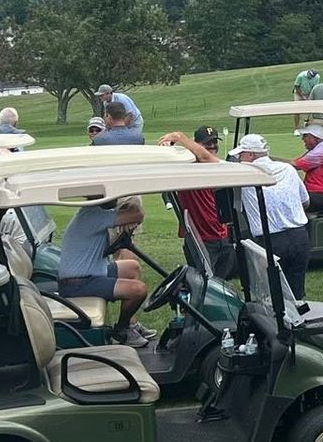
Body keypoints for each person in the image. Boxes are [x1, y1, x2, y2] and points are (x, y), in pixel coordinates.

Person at [57, 196, 152, 347]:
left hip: (90, 274)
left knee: (132, 267)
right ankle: (121, 331)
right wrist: (130, 200)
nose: (115, 197)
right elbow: (138, 214)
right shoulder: (92, 215)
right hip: (79, 284)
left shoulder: (92, 213)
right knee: (138, 290)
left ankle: (130, 325)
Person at [228, 133, 312, 299]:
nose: (239, 158)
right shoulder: (288, 169)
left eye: (241, 154)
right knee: (295, 294)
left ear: (250, 155)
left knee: (271, 295)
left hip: (271, 242)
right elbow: (305, 202)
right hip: (300, 237)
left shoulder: (245, 173)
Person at [157, 128, 235, 273]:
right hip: (200, 239)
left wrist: (179, 136)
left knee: (222, 283)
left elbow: (205, 157)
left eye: (214, 142)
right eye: (207, 143)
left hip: (223, 236)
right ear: (197, 145)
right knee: (205, 282)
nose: (212, 146)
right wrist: (172, 142)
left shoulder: (218, 165)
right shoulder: (185, 168)